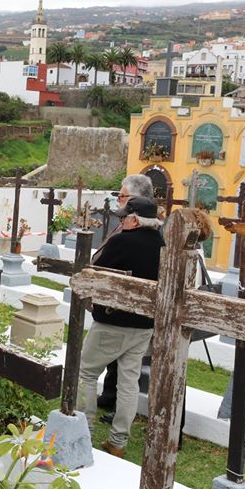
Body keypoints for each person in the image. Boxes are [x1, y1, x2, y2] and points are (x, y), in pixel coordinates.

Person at [76, 193, 164, 458]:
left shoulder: (123, 242)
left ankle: (84, 431)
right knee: (129, 383)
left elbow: (95, 273)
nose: (121, 221)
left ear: (135, 221)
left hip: (113, 322)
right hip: (144, 325)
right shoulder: (163, 244)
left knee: (86, 373)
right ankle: (118, 441)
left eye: (124, 218)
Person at [96, 176, 151, 413]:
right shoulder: (145, 230)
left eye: (122, 196)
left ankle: (87, 420)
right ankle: (112, 405)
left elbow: (106, 265)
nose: (118, 201)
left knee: (87, 371)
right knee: (125, 375)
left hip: (122, 312)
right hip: (138, 316)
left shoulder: (132, 234)